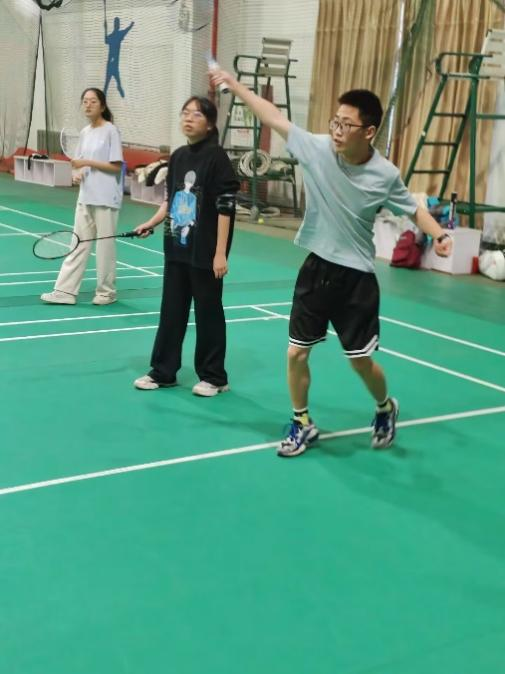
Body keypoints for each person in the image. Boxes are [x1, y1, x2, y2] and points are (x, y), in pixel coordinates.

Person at [209, 68, 453, 455]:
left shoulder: (384, 174)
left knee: (360, 361)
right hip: (316, 268)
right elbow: (272, 115)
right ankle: (302, 422)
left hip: (356, 279)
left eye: (346, 125)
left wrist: (439, 235)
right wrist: (234, 85)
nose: (337, 131)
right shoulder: (316, 148)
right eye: (335, 122)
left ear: (369, 131)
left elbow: (413, 209)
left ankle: (385, 407)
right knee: (296, 352)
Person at [133, 96, 240, 397]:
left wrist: (220, 253)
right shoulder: (178, 156)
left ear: (210, 123)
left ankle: (215, 377)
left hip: (205, 251)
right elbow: (170, 201)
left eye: (196, 114)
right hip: (177, 248)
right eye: (184, 113)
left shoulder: (217, 158)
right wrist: (151, 223)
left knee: (208, 314)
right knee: (171, 312)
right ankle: (163, 371)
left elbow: (226, 208)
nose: (188, 119)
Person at [41, 87, 124, 306]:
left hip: (106, 199)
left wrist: (86, 163)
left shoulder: (111, 131)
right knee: (77, 244)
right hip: (85, 196)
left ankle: (106, 293)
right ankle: (65, 291)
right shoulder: (85, 132)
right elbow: (78, 163)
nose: (88, 105)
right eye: (85, 101)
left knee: (105, 248)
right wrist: (77, 173)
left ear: (102, 106)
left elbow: (116, 166)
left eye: (93, 101)